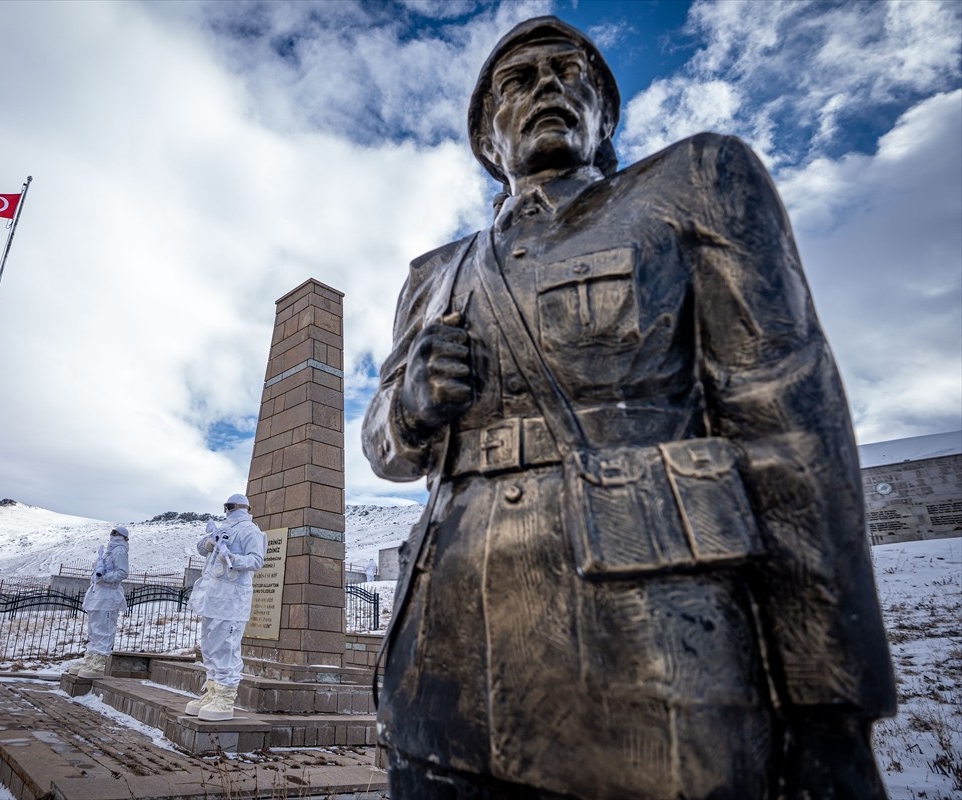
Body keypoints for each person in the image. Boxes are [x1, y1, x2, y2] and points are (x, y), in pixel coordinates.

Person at [362, 16, 896, 800]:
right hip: (443, 677)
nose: (547, 84)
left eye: (569, 70)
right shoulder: (434, 276)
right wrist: (409, 405)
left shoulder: (696, 183)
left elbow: (786, 426)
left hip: (653, 670)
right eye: (518, 78)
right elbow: (385, 449)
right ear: (486, 137)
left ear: (605, 118)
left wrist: (829, 709)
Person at [184, 493, 266, 721]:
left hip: (232, 599)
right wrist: (210, 543)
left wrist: (233, 558)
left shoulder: (251, 531)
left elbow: (257, 560)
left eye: (231, 506)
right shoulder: (223, 528)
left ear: (243, 508)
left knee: (226, 646)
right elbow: (202, 546)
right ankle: (213, 691)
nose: (228, 510)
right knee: (209, 646)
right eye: (226, 506)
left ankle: (225, 697)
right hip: (213, 596)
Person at [69, 526, 130, 679]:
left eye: (116, 533)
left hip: (109, 593)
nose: (113, 535)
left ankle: (99, 661)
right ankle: (91, 657)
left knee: (105, 627)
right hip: (99, 593)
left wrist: (105, 578)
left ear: (122, 537)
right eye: (112, 532)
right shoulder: (107, 552)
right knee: (94, 627)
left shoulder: (119, 551)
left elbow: (123, 572)